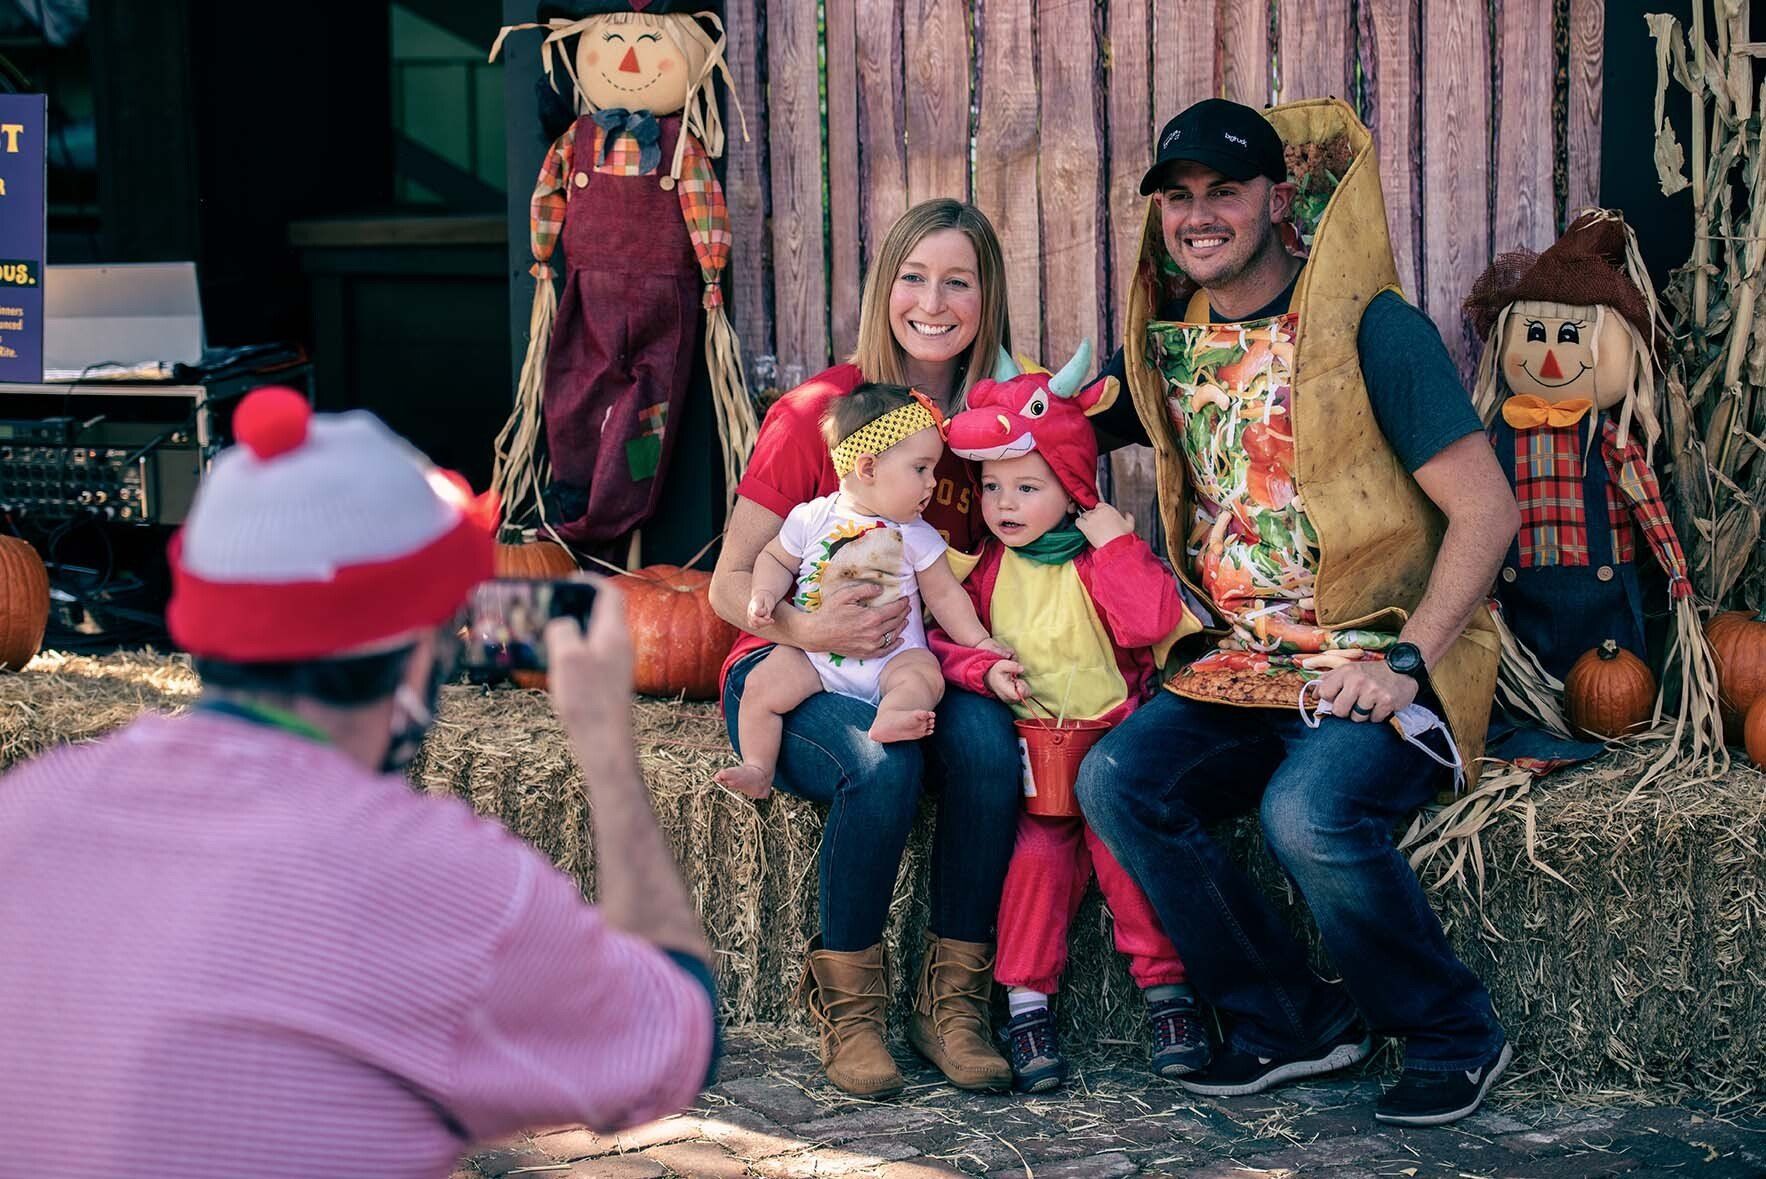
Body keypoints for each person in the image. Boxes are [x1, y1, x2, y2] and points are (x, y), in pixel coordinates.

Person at [0, 388, 718, 1176]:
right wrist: (608, 747)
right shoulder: (440, 881)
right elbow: (675, 1038)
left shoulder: (29, 805)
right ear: (418, 651)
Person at [1083, 98, 1521, 1126]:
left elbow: (1486, 511)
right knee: (1117, 779)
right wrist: (861, 450)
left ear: (1277, 201)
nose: (1198, 216)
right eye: (1177, 198)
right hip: (1242, 665)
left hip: (1378, 661)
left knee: (1307, 814)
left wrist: (1405, 661)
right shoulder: (1163, 340)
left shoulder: (1374, 330)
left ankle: (1453, 1030)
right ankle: (1290, 1021)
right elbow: (1028, 430)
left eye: (1222, 191)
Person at [710, 198, 1020, 1098]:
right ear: (885, 288)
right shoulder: (821, 412)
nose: (934, 300)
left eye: (958, 280)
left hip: (918, 661)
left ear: (986, 297)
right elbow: (731, 582)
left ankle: (951, 1002)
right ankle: (849, 1010)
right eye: (914, 277)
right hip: (790, 667)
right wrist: (806, 627)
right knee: (876, 764)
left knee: (990, 751)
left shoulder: (998, 423)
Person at [930, 347, 1208, 1092]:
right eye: (992, 487)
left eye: (1028, 485)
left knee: (1131, 867)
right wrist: (981, 667)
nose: (1006, 504)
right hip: (1034, 763)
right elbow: (941, 646)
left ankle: (1168, 996)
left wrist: (1111, 536)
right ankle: (1027, 1007)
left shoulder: (1097, 557)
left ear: (1073, 483)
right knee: (1035, 868)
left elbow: (1153, 618)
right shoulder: (986, 569)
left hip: (1113, 752)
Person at [717, 384, 1006, 797]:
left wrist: (980, 642)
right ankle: (757, 767)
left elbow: (945, 597)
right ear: (868, 469)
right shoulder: (812, 517)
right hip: (815, 657)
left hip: (892, 657)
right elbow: (777, 559)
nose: (932, 483)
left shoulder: (916, 535)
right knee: (762, 689)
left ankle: (892, 714)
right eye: (920, 469)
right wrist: (763, 593)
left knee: (923, 676)